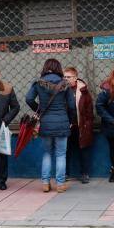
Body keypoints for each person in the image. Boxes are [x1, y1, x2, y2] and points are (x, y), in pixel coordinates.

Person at [26, 58, 76, 193]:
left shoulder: (38, 83)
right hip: (62, 122)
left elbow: (28, 99)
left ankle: (45, 183)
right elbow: (71, 106)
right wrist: (71, 120)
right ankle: (60, 184)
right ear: (58, 68)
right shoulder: (64, 84)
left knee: (47, 153)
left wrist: (40, 109)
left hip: (46, 123)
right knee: (61, 154)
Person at [64, 67, 94, 184]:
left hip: (81, 126)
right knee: (66, 150)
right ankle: (65, 173)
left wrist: (87, 124)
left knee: (83, 150)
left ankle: (84, 173)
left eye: (69, 77)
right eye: (64, 77)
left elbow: (89, 110)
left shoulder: (83, 91)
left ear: (75, 78)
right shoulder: (61, 90)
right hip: (66, 126)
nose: (66, 79)